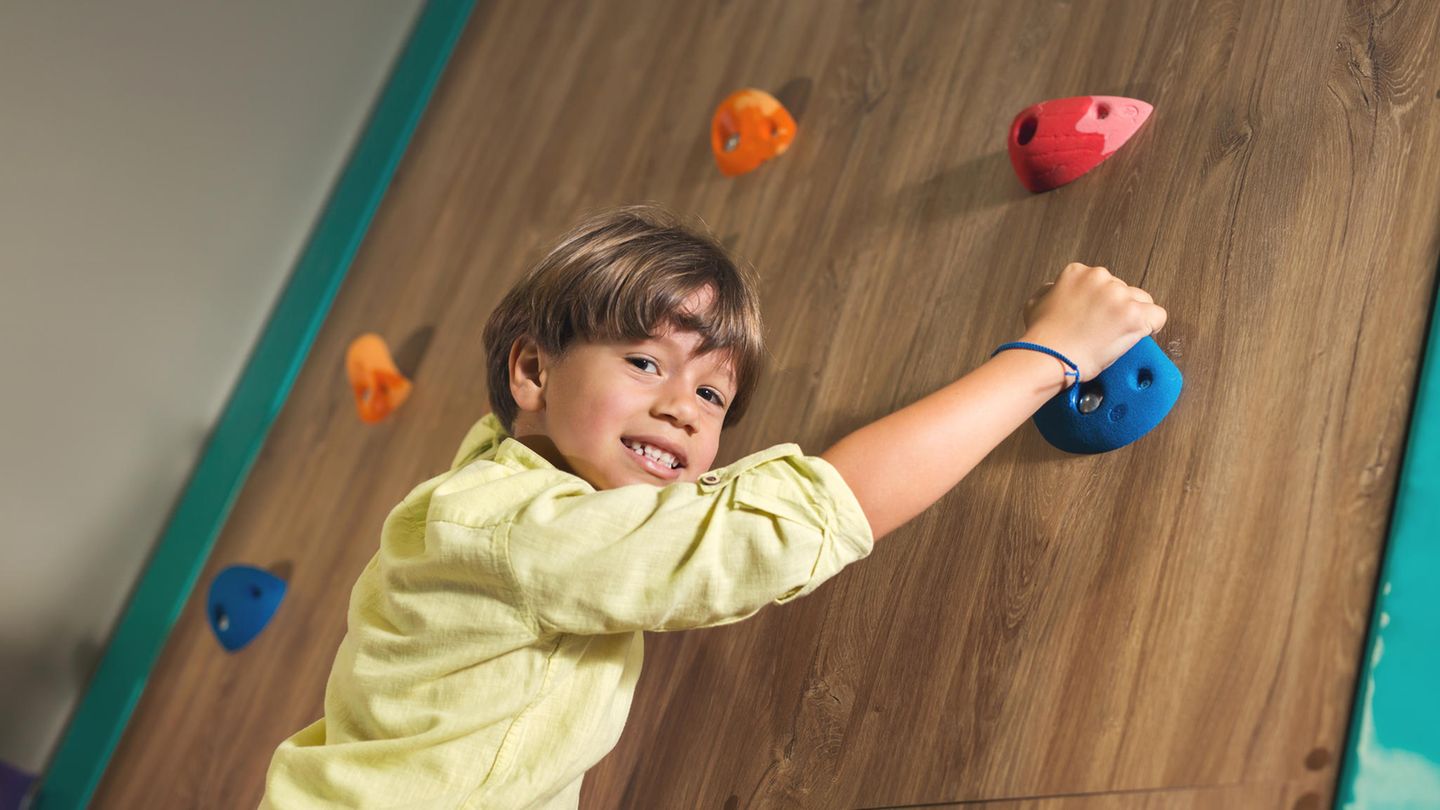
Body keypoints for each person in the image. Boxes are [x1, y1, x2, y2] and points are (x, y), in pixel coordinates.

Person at [260, 204, 1167, 808]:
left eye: (713, 398)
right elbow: (788, 524)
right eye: (647, 363)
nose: (679, 409)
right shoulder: (505, 525)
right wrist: (1048, 355)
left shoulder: (532, 518)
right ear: (533, 371)